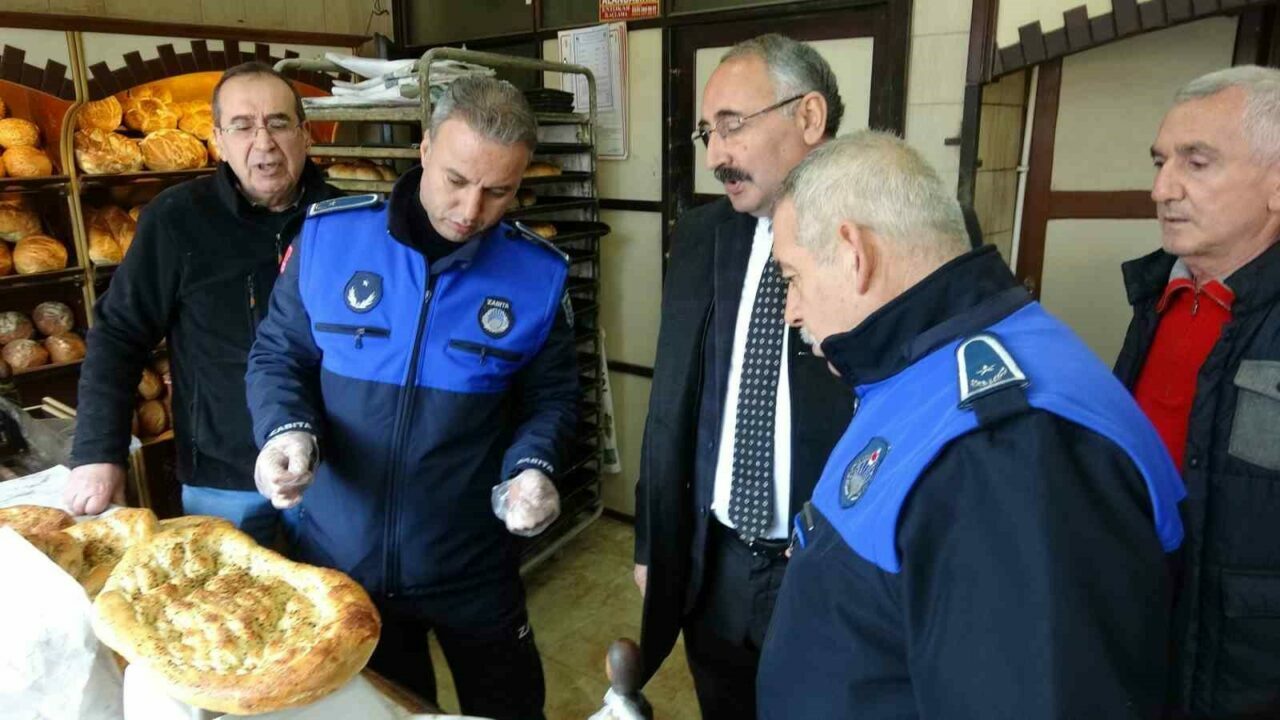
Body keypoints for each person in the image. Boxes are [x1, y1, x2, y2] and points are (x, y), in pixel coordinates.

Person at [756, 131, 1188, 718]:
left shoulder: (1006, 451)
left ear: (854, 252)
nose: (792, 310)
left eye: (792, 278)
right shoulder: (928, 363)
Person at [244, 76, 578, 720]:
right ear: (425, 149)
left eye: (499, 191)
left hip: (472, 564)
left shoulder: (537, 275)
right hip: (342, 563)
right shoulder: (330, 240)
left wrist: (534, 466)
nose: (471, 210)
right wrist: (285, 429)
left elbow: (553, 396)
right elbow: (279, 355)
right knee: (384, 710)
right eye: (457, 179)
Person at [631, 34, 852, 718]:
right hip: (714, 561)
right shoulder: (703, 234)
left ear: (808, 117)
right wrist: (652, 541)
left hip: (824, 571)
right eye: (708, 132)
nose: (715, 155)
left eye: (732, 125)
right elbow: (669, 402)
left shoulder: (884, 236)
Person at [64, 62, 341, 545]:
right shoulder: (177, 219)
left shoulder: (346, 220)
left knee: (337, 592)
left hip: (331, 471)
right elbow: (119, 333)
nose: (263, 142)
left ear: (305, 134)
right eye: (242, 126)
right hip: (222, 477)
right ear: (218, 140)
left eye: (278, 123)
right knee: (225, 593)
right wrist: (98, 452)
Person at [1115, 65, 1280, 717]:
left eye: (1197, 162)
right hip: (1143, 639)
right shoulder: (1156, 299)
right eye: (1161, 162)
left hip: (1247, 677)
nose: (1162, 189)